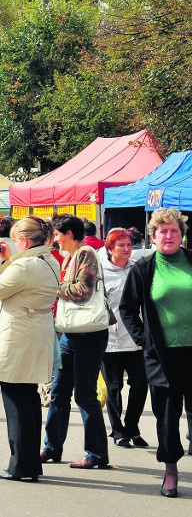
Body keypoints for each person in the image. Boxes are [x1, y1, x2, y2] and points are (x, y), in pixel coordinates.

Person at [120, 208, 192, 498]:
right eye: (163, 231)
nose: (169, 235)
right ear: (153, 236)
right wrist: (145, 339)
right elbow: (127, 309)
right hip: (162, 356)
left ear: (182, 234)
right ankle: (171, 469)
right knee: (167, 414)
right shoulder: (144, 268)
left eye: (174, 230)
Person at [0, 216, 60, 482]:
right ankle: (28, 463)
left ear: (25, 241)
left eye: (16, 240)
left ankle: (19, 465)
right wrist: (5, 261)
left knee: (15, 403)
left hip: (18, 335)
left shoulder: (26, 265)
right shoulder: (47, 260)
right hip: (34, 332)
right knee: (28, 401)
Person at [41, 214, 109, 469]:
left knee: (84, 395)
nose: (55, 240)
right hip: (71, 333)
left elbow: (83, 291)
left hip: (88, 334)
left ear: (69, 234)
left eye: (57, 235)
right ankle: (51, 447)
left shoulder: (86, 253)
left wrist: (53, 288)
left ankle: (96, 453)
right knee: (58, 393)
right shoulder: (72, 256)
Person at [100, 228, 149, 449]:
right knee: (113, 387)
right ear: (110, 248)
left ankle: (132, 426)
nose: (127, 249)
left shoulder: (137, 269)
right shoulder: (101, 272)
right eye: (121, 245)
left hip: (136, 340)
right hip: (110, 341)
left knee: (140, 384)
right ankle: (118, 430)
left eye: (129, 245)